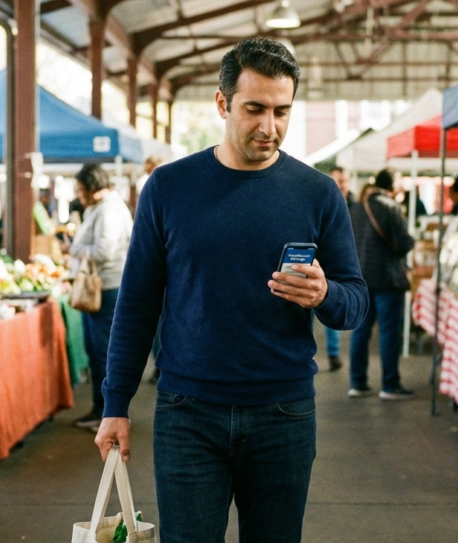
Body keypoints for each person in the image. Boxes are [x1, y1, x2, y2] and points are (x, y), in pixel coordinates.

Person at [94, 37, 368, 542]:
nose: (270, 127)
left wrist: (324, 294)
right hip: (187, 415)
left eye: (282, 111)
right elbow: (136, 305)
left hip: (284, 416)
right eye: (255, 109)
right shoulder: (169, 188)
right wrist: (116, 403)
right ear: (222, 104)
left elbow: (354, 304)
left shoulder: (319, 193)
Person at [69, 164, 133, 433]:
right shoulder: (102, 207)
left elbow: (104, 250)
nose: (79, 194)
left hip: (105, 289)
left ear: (93, 187)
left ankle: (106, 412)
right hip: (103, 288)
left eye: (81, 189)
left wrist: (74, 248)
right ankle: (102, 410)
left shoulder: (108, 210)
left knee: (103, 352)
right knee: (99, 351)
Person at [349, 169, 416, 400]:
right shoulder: (390, 206)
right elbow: (402, 243)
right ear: (391, 184)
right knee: (389, 332)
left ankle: (357, 383)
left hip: (361, 277)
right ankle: (390, 385)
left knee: (360, 331)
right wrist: (411, 240)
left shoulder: (356, 207)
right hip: (387, 278)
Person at [321, 165, 355, 372]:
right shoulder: (325, 200)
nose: (341, 185)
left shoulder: (355, 204)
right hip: (320, 262)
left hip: (341, 265)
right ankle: (332, 352)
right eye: (337, 181)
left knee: (332, 304)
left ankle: (333, 353)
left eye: (344, 181)